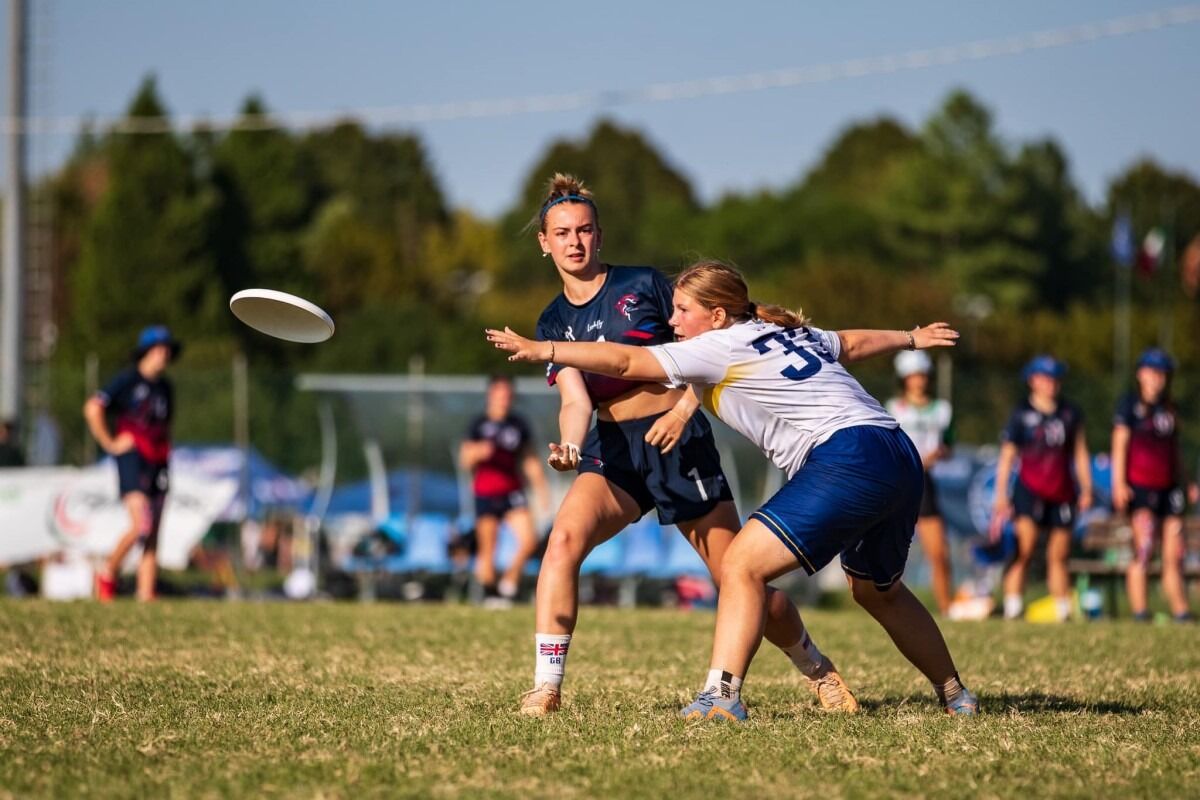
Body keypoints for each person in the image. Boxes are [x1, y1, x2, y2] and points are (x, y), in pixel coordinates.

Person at [488, 259, 978, 719]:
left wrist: (544, 350)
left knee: (740, 564)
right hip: (897, 450)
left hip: (846, 456)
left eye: (683, 311)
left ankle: (720, 696)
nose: (673, 321)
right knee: (878, 591)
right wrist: (910, 338)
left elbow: (621, 361)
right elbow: (848, 343)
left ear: (717, 315)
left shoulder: (715, 345)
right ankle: (956, 694)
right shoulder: (780, 332)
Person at [516, 176, 856, 717]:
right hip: (616, 449)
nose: (574, 241)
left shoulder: (644, 285)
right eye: (561, 233)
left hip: (678, 442)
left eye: (584, 230)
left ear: (600, 235)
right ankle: (546, 687)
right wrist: (571, 447)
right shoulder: (552, 322)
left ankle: (818, 670)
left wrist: (681, 410)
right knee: (562, 544)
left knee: (739, 579)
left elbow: (717, 346)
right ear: (544, 242)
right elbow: (576, 401)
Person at [82, 325, 180, 602]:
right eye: (160, 349)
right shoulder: (128, 381)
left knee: (154, 530)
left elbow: (166, 425)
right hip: (133, 458)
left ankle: (146, 592)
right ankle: (108, 571)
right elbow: (93, 408)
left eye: (167, 349)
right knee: (141, 525)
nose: (165, 354)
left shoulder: (165, 388)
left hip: (158, 460)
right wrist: (109, 443)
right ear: (146, 352)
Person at [992, 355, 1092, 622]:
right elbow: (1007, 456)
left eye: (1055, 379)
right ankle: (1013, 607)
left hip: (1063, 492)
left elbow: (1080, 453)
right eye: (1045, 378)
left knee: (1059, 554)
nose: (1051, 384)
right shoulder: (1021, 415)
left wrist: (1087, 488)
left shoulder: (1071, 413)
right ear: (1032, 381)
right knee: (1025, 548)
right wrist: (1001, 494)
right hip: (1030, 490)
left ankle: (1063, 610)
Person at [1111, 348, 1198, 622]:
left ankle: (1181, 611)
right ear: (1140, 374)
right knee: (1144, 550)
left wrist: (1187, 482)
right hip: (1141, 487)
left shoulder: (1169, 409)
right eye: (1152, 372)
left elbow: (1175, 450)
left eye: (1162, 373)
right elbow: (1120, 445)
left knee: (1174, 554)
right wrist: (1119, 483)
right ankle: (1140, 611)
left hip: (1169, 488)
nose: (1157, 379)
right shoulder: (1129, 406)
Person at [460, 374, 551, 606]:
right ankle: (491, 594)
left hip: (512, 490)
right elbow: (465, 458)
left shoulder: (518, 425)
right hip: (486, 492)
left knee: (530, 540)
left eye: (508, 395)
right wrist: (478, 452)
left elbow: (529, 460)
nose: (503, 400)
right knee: (489, 546)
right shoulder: (478, 425)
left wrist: (542, 492)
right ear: (490, 396)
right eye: (499, 395)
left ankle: (509, 581)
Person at [886, 351, 955, 615]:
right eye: (913, 376)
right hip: (898, 480)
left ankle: (945, 607)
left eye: (922, 376)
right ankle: (890, 606)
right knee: (888, 552)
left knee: (938, 551)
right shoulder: (893, 408)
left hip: (925, 483)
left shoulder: (941, 410)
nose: (918, 381)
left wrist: (938, 454)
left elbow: (949, 445)